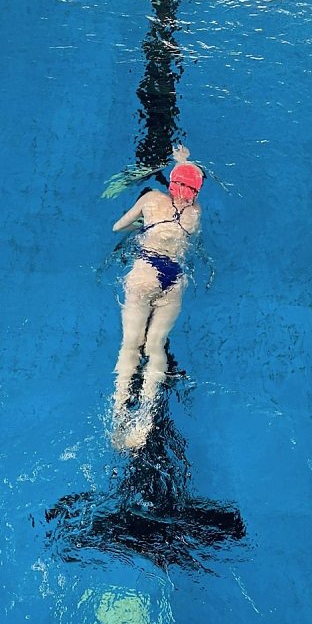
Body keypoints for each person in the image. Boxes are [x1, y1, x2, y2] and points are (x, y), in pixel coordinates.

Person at [111, 146, 204, 450]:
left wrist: (143, 223)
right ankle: (146, 420)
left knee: (131, 344)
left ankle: (118, 415)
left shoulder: (151, 199)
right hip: (174, 278)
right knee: (154, 347)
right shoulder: (194, 213)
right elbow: (189, 189)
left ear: (170, 184)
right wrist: (185, 162)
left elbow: (118, 226)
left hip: (145, 271)